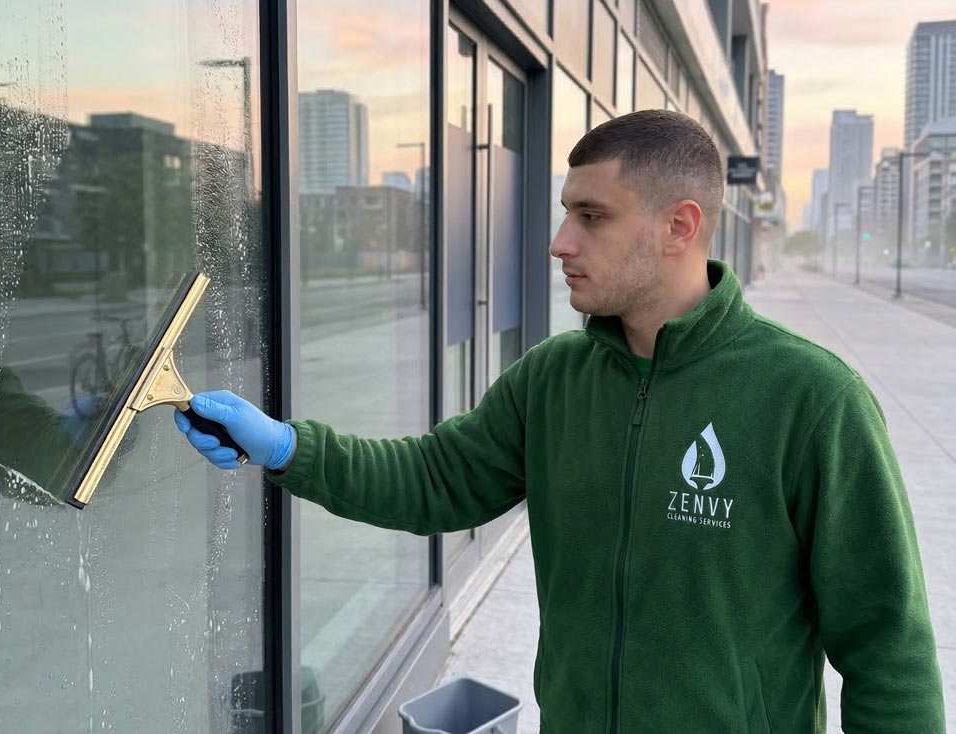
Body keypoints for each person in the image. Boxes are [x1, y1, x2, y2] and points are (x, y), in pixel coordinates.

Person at [174, 110, 945, 732]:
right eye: (564, 212)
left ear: (679, 226)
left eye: (591, 216)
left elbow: (888, 648)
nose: (559, 243)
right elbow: (436, 479)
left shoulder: (810, 397)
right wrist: (285, 446)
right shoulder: (554, 378)